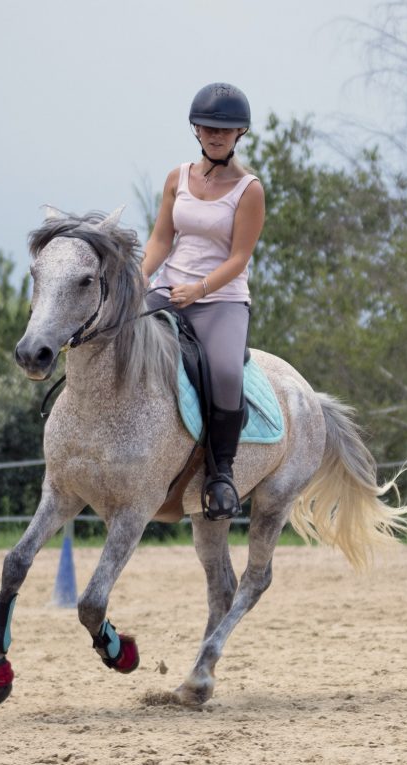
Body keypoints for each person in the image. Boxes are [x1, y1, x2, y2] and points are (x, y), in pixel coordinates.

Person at [140, 82, 266, 521]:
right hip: (169, 288)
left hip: (222, 299)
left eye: (226, 129)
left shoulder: (249, 189)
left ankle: (221, 475)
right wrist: (141, 275)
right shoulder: (178, 178)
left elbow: (239, 258)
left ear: (240, 134)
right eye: (209, 127)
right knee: (120, 337)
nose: (217, 134)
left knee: (227, 372)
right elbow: (161, 239)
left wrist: (201, 290)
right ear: (196, 129)